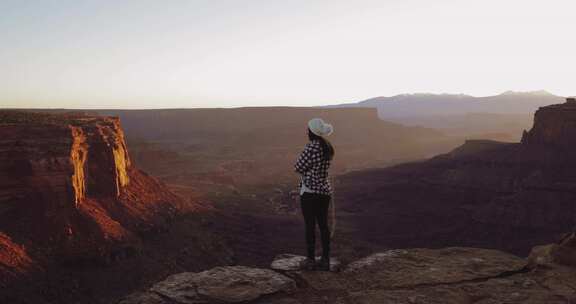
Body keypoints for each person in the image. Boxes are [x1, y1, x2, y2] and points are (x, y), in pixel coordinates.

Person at [294, 118, 335, 271]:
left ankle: (310, 260)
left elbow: (298, 167)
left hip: (310, 192)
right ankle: (325, 259)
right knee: (323, 225)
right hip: (324, 191)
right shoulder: (327, 146)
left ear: (312, 131)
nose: (306, 132)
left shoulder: (312, 147)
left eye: (308, 129)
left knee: (310, 225)